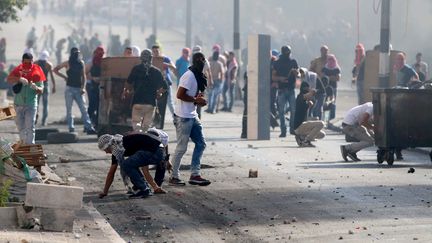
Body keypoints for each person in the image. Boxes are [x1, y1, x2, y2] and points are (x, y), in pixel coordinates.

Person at [169, 52, 211, 186]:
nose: (203, 62)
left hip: (192, 115)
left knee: (201, 143)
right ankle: (174, 176)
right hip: (183, 117)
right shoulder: (189, 76)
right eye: (201, 60)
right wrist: (195, 100)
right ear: (197, 61)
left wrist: (199, 101)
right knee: (181, 148)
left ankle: (195, 174)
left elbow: (197, 95)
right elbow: (180, 94)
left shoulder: (199, 77)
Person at [98, 128, 171, 198]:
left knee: (126, 164)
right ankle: (143, 187)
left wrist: (105, 192)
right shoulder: (121, 144)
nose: (106, 152)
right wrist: (105, 191)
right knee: (130, 164)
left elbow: (112, 173)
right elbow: (112, 172)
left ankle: (144, 189)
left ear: (110, 145)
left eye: (106, 149)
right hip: (159, 151)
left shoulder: (122, 145)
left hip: (156, 152)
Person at [53, 48, 97, 134]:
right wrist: (64, 77)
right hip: (69, 88)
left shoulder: (81, 63)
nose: (77, 55)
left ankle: (89, 127)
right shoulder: (68, 63)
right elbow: (55, 69)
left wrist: (83, 87)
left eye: (78, 53)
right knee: (69, 110)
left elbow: (83, 76)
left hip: (78, 89)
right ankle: (71, 127)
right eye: (76, 53)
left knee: (83, 109)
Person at [122, 49, 168, 131]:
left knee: (136, 124)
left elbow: (128, 83)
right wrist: (158, 93)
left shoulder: (136, 69)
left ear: (141, 58)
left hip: (137, 102)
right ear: (151, 58)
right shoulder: (156, 71)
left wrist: (126, 91)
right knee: (146, 127)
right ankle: (143, 138)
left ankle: (137, 137)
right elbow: (165, 86)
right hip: (150, 103)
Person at [7, 53, 45, 144]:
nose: (28, 65)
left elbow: (41, 90)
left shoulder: (37, 71)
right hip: (18, 104)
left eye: (30, 63)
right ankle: (24, 145)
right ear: (22, 61)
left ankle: (31, 147)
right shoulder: (18, 70)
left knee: (30, 127)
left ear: (33, 61)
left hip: (31, 104)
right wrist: (19, 79)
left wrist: (36, 87)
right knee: (20, 127)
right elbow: (9, 79)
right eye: (26, 63)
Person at [272, 45, 299, 137]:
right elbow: (273, 76)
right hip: (281, 90)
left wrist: (296, 73)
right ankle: (283, 130)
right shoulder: (277, 63)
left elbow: (298, 73)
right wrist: (280, 78)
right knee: (281, 111)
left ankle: (292, 129)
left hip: (291, 89)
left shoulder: (293, 62)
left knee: (293, 110)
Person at [293, 82, 325, 147]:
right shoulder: (300, 97)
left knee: (322, 134)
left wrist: (314, 119)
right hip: (299, 127)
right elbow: (307, 95)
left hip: (303, 126)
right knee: (321, 123)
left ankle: (301, 138)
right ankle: (306, 141)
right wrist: (312, 91)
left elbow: (305, 118)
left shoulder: (306, 102)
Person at [152, 44, 177, 116]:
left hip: (166, 83)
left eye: (157, 51)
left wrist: (167, 65)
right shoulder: (151, 60)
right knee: (154, 102)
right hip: (155, 84)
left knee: (170, 102)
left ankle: (176, 118)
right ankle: (155, 119)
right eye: (154, 52)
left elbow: (174, 68)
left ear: (159, 51)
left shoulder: (165, 59)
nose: (155, 53)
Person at [35, 50, 56, 126]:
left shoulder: (35, 63)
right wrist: (54, 85)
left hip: (37, 84)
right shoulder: (49, 64)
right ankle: (44, 121)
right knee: (45, 104)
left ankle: (35, 119)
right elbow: (52, 76)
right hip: (45, 84)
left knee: (35, 103)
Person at [85, 46, 105, 126]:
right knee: (92, 106)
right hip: (92, 86)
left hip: (101, 87)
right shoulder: (91, 62)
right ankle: (87, 124)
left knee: (99, 106)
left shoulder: (104, 62)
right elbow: (85, 73)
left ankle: (97, 124)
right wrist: (93, 78)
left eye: (102, 53)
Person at [322, 54, 341, 121]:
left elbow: (338, 78)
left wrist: (329, 78)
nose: (330, 61)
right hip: (325, 88)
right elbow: (323, 77)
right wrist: (332, 77)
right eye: (329, 59)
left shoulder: (336, 68)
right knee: (325, 102)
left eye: (331, 59)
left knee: (332, 102)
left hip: (333, 87)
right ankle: (324, 118)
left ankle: (331, 118)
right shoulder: (325, 68)